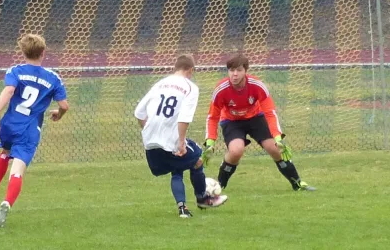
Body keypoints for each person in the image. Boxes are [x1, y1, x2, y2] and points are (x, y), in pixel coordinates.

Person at [0, 34, 69, 227]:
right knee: (18, 169)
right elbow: (64, 105)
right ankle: (6, 203)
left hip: (9, 124)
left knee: (5, 152)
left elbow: (9, 91)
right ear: (43, 53)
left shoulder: (15, 71)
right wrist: (59, 114)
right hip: (29, 130)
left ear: (23, 52)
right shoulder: (53, 78)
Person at [202, 53, 315, 192]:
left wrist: (278, 138)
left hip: (256, 118)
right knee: (236, 151)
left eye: (239, 70)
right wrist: (210, 143)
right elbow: (212, 117)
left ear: (245, 71)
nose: (235, 74)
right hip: (232, 122)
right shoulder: (221, 89)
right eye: (231, 70)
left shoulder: (257, 85)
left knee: (275, 149)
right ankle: (219, 185)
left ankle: (297, 183)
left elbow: (270, 113)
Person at [134, 54, 228, 218]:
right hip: (170, 141)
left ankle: (182, 209)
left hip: (150, 144)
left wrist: (150, 131)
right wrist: (182, 142)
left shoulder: (159, 84)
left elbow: (139, 113)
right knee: (198, 158)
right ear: (191, 70)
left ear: (175, 68)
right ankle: (203, 198)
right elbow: (184, 118)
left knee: (177, 167)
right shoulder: (190, 88)